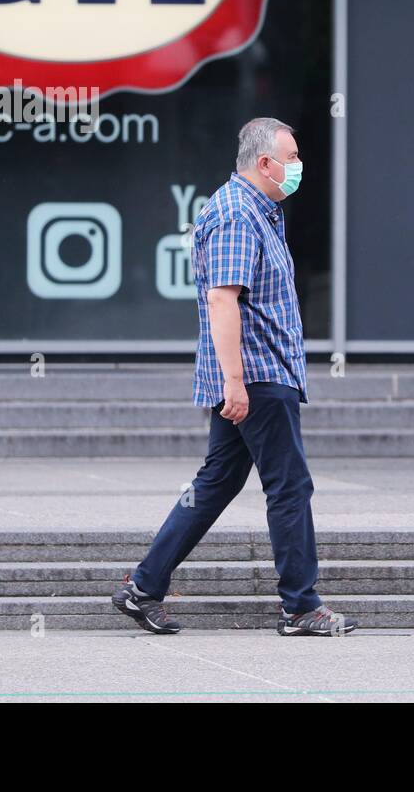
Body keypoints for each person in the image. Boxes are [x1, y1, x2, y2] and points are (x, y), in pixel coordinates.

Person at [112, 118, 358, 637]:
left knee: (217, 482)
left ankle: (143, 587)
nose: (297, 168)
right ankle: (301, 605)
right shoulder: (235, 214)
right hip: (257, 375)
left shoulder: (258, 211)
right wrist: (234, 381)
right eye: (291, 158)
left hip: (259, 374)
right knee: (289, 486)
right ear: (264, 163)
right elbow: (222, 300)